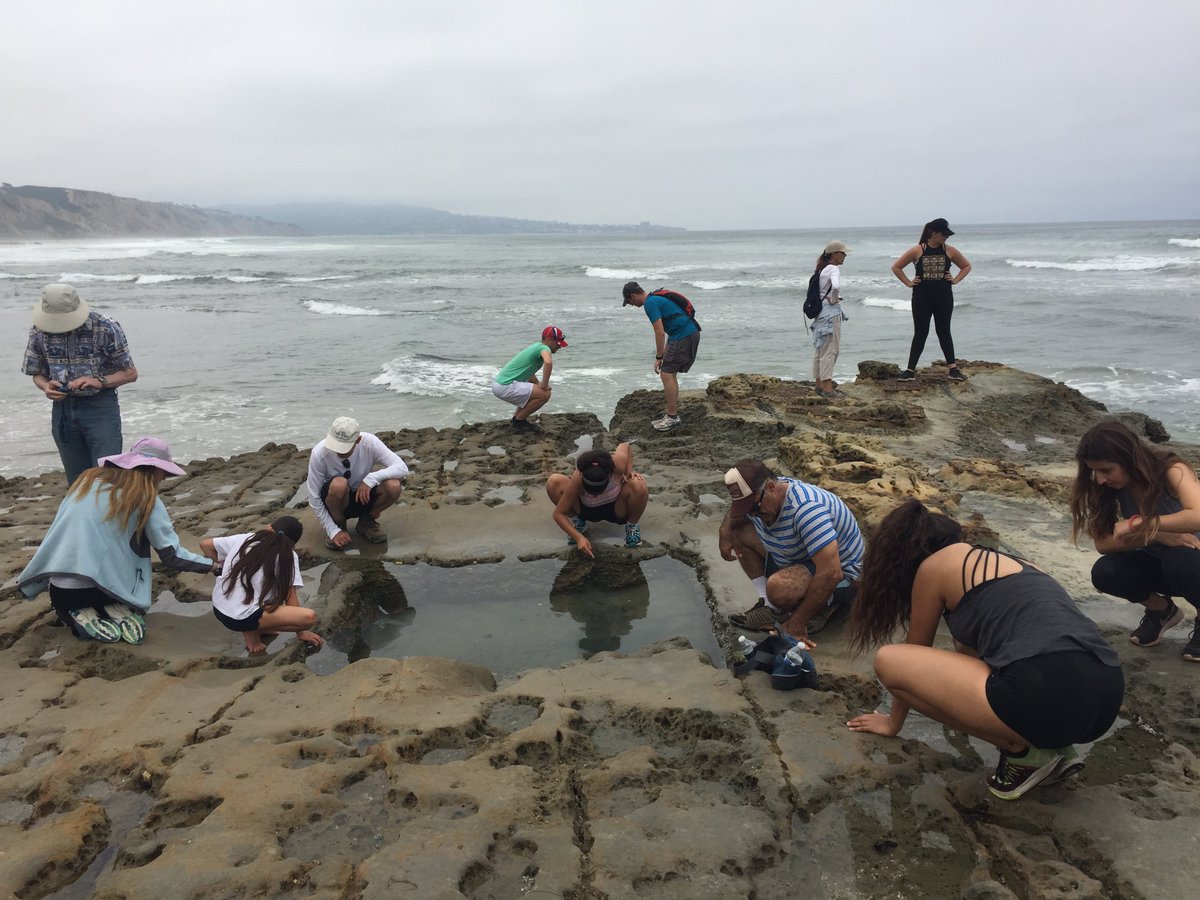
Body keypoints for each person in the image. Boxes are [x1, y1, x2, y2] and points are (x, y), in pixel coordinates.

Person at [846, 499, 1124, 800]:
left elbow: (915, 650)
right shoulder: (1018, 566)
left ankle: (1022, 752)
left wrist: (892, 723)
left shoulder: (936, 565)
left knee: (889, 660)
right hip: (1105, 694)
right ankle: (1054, 748)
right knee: (1015, 683)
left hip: (1048, 690)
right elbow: (970, 658)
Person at [17, 437, 214, 644]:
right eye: (164, 472)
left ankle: (80, 619)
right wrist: (214, 566)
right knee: (118, 572)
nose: (164, 478)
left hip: (61, 589)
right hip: (105, 591)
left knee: (76, 595)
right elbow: (171, 556)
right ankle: (111, 606)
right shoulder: (147, 499)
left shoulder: (85, 484)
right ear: (153, 470)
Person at [1070, 419, 1200, 661]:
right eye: (1094, 471)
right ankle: (1161, 611)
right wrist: (1158, 535)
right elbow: (1103, 544)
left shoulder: (1172, 469)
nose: (1099, 479)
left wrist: (1141, 523)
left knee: (1181, 558)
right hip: (1160, 561)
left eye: (1106, 470)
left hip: (1193, 562)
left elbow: (1198, 515)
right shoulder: (1108, 487)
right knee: (1106, 571)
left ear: (1129, 459)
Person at [720, 458, 865, 646]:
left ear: (771, 487)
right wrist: (724, 531)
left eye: (754, 507)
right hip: (800, 555)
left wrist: (797, 623)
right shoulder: (763, 496)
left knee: (779, 588)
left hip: (845, 575)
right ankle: (770, 606)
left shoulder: (807, 509)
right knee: (738, 533)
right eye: (746, 509)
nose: (753, 514)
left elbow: (832, 572)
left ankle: (822, 607)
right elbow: (737, 514)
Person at [22, 283, 139, 486]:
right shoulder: (39, 330)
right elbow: (36, 374)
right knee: (77, 484)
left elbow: (130, 373)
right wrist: (46, 386)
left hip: (100, 408)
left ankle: (109, 518)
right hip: (63, 411)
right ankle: (81, 517)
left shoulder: (105, 326)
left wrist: (98, 381)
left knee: (107, 479)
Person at [200, 515, 324, 654]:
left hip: (219, 608)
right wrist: (301, 633)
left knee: (257, 594)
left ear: (270, 526)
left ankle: (259, 626)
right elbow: (291, 599)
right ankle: (252, 634)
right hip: (242, 617)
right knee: (308, 617)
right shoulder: (288, 555)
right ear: (292, 544)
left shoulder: (247, 538)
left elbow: (205, 545)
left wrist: (222, 566)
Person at [307, 416, 408, 551]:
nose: (339, 451)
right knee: (339, 484)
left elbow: (402, 468)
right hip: (336, 500)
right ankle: (338, 524)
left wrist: (371, 478)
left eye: (344, 447)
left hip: (363, 496)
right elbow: (313, 496)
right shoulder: (319, 452)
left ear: (358, 440)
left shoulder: (370, 442)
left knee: (394, 485)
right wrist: (332, 530)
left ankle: (366, 521)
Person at [890, 218, 971, 382]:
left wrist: (955, 280)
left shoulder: (949, 250)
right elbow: (896, 267)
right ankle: (910, 370)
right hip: (921, 298)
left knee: (944, 332)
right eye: (944, 234)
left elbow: (967, 266)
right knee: (920, 333)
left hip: (944, 297)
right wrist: (908, 283)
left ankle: (953, 369)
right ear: (933, 233)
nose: (947, 237)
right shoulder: (918, 250)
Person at [621, 282, 701, 431]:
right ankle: (672, 415)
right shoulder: (655, 298)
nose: (631, 305)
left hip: (684, 335)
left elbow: (660, 332)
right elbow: (671, 329)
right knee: (669, 373)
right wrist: (662, 355)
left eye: (629, 302)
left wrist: (658, 357)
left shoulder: (649, 304)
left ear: (632, 296)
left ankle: (672, 418)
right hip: (686, 334)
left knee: (666, 373)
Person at [546, 443, 649, 554]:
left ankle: (632, 528)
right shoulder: (578, 476)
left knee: (638, 483)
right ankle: (578, 523)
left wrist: (629, 472)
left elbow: (626, 446)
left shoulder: (617, 463)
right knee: (554, 482)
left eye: (599, 491)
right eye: (591, 491)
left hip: (617, 508)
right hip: (586, 509)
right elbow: (558, 514)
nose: (595, 496)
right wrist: (578, 538)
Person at [491, 325, 567, 431]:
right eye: (558, 343)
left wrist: (537, 383)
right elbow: (548, 362)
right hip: (505, 385)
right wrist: (544, 385)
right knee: (545, 394)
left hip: (500, 384)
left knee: (535, 392)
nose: (560, 347)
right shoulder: (544, 348)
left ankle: (516, 419)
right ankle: (519, 421)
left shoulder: (536, 347)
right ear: (549, 340)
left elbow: (528, 371)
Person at [811, 241, 850, 399]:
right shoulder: (833, 269)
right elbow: (835, 286)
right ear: (834, 254)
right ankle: (828, 388)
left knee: (820, 348)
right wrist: (834, 299)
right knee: (831, 350)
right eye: (843, 253)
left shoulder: (822, 269)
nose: (845, 256)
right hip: (830, 313)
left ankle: (819, 384)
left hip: (821, 313)